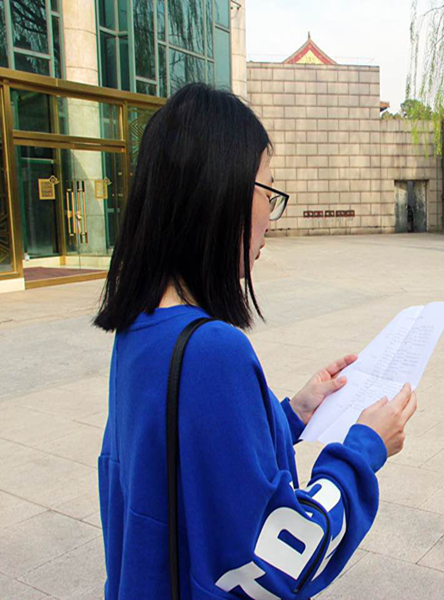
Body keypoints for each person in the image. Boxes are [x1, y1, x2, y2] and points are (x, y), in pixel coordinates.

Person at [94, 83, 417, 600]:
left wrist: (292, 414)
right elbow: (280, 557)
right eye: (269, 190)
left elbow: (194, 466)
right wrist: (364, 449)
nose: (271, 214)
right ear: (220, 192)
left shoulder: (139, 327)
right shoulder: (212, 350)